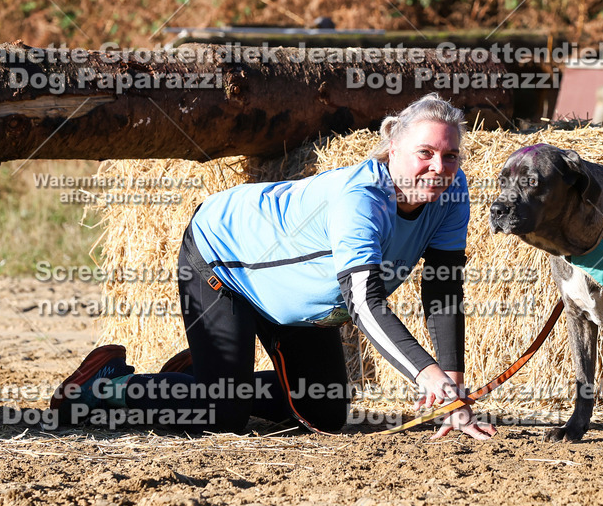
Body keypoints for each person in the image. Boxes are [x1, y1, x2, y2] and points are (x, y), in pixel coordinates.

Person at [50, 93, 496, 440]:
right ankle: (100, 388)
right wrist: (428, 376)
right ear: (392, 145)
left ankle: (196, 378)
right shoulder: (361, 199)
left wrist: (452, 389)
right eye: (425, 153)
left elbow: (443, 289)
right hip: (223, 256)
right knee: (223, 414)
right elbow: (364, 303)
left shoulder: (452, 195)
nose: (439, 168)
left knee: (323, 412)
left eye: (450, 156)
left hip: (293, 296)